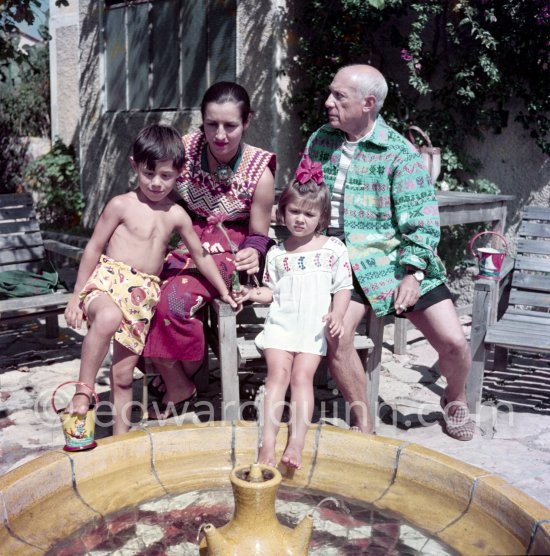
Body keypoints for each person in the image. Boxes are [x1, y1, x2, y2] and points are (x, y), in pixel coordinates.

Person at [301, 64, 475, 441]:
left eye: (338, 96)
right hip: (340, 263)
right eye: (330, 93)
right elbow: (303, 195)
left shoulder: (400, 153)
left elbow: (423, 222)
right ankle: (364, 426)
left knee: (455, 342)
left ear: (368, 104)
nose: (328, 102)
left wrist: (413, 273)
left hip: (393, 262)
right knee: (337, 335)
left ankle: (455, 397)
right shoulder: (320, 141)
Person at [64, 124, 237, 435]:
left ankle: (121, 440)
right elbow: (93, 247)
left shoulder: (175, 214)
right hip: (108, 282)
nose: (156, 183)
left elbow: (200, 255)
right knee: (108, 316)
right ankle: (83, 388)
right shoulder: (122, 205)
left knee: (124, 377)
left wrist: (224, 290)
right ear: (135, 166)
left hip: (142, 295)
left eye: (166, 176)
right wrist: (76, 296)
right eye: (149, 174)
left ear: (179, 173)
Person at [143, 82, 276, 419]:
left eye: (230, 125)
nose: (219, 134)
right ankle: (180, 377)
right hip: (183, 235)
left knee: (173, 300)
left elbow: (259, 233)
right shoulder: (183, 149)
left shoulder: (260, 170)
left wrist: (254, 252)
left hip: (228, 245)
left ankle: (180, 380)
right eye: (211, 123)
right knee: (137, 293)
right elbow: (155, 191)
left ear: (247, 122)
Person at [232, 157, 353, 469]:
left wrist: (338, 315)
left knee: (302, 378)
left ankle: (296, 443)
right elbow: (271, 292)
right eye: (294, 211)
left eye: (309, 214)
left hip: (313, 328)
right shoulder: (277, 254)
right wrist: (249, 293)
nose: (301, 219)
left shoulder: (333, 249)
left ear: (322, 217)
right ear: (282, 212)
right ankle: (266, 446)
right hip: (281, 327)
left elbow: (343, 287)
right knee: (278, 376)